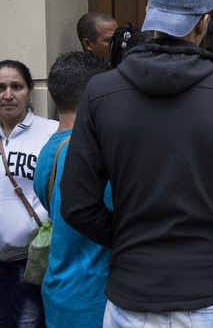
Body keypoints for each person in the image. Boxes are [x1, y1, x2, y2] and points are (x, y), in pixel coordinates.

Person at [60, 0, 213, 328]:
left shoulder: (101, 93)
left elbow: (75, 203)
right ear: (203, 23)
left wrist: (127, 239)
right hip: (210, 290)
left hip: (133, 291)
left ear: (152, 18)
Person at [33, 52, 110, 328]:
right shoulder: (92, 153)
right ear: (96, 95)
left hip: (60, 292)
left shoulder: (47, 151)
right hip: (95, 298)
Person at [0, 59, 58, 328]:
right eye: (0, 87)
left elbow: (58, 191)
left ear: (30, 90)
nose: (8, 95)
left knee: (28, 324)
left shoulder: (50, 132)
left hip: (30, 261)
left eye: (16, 86)